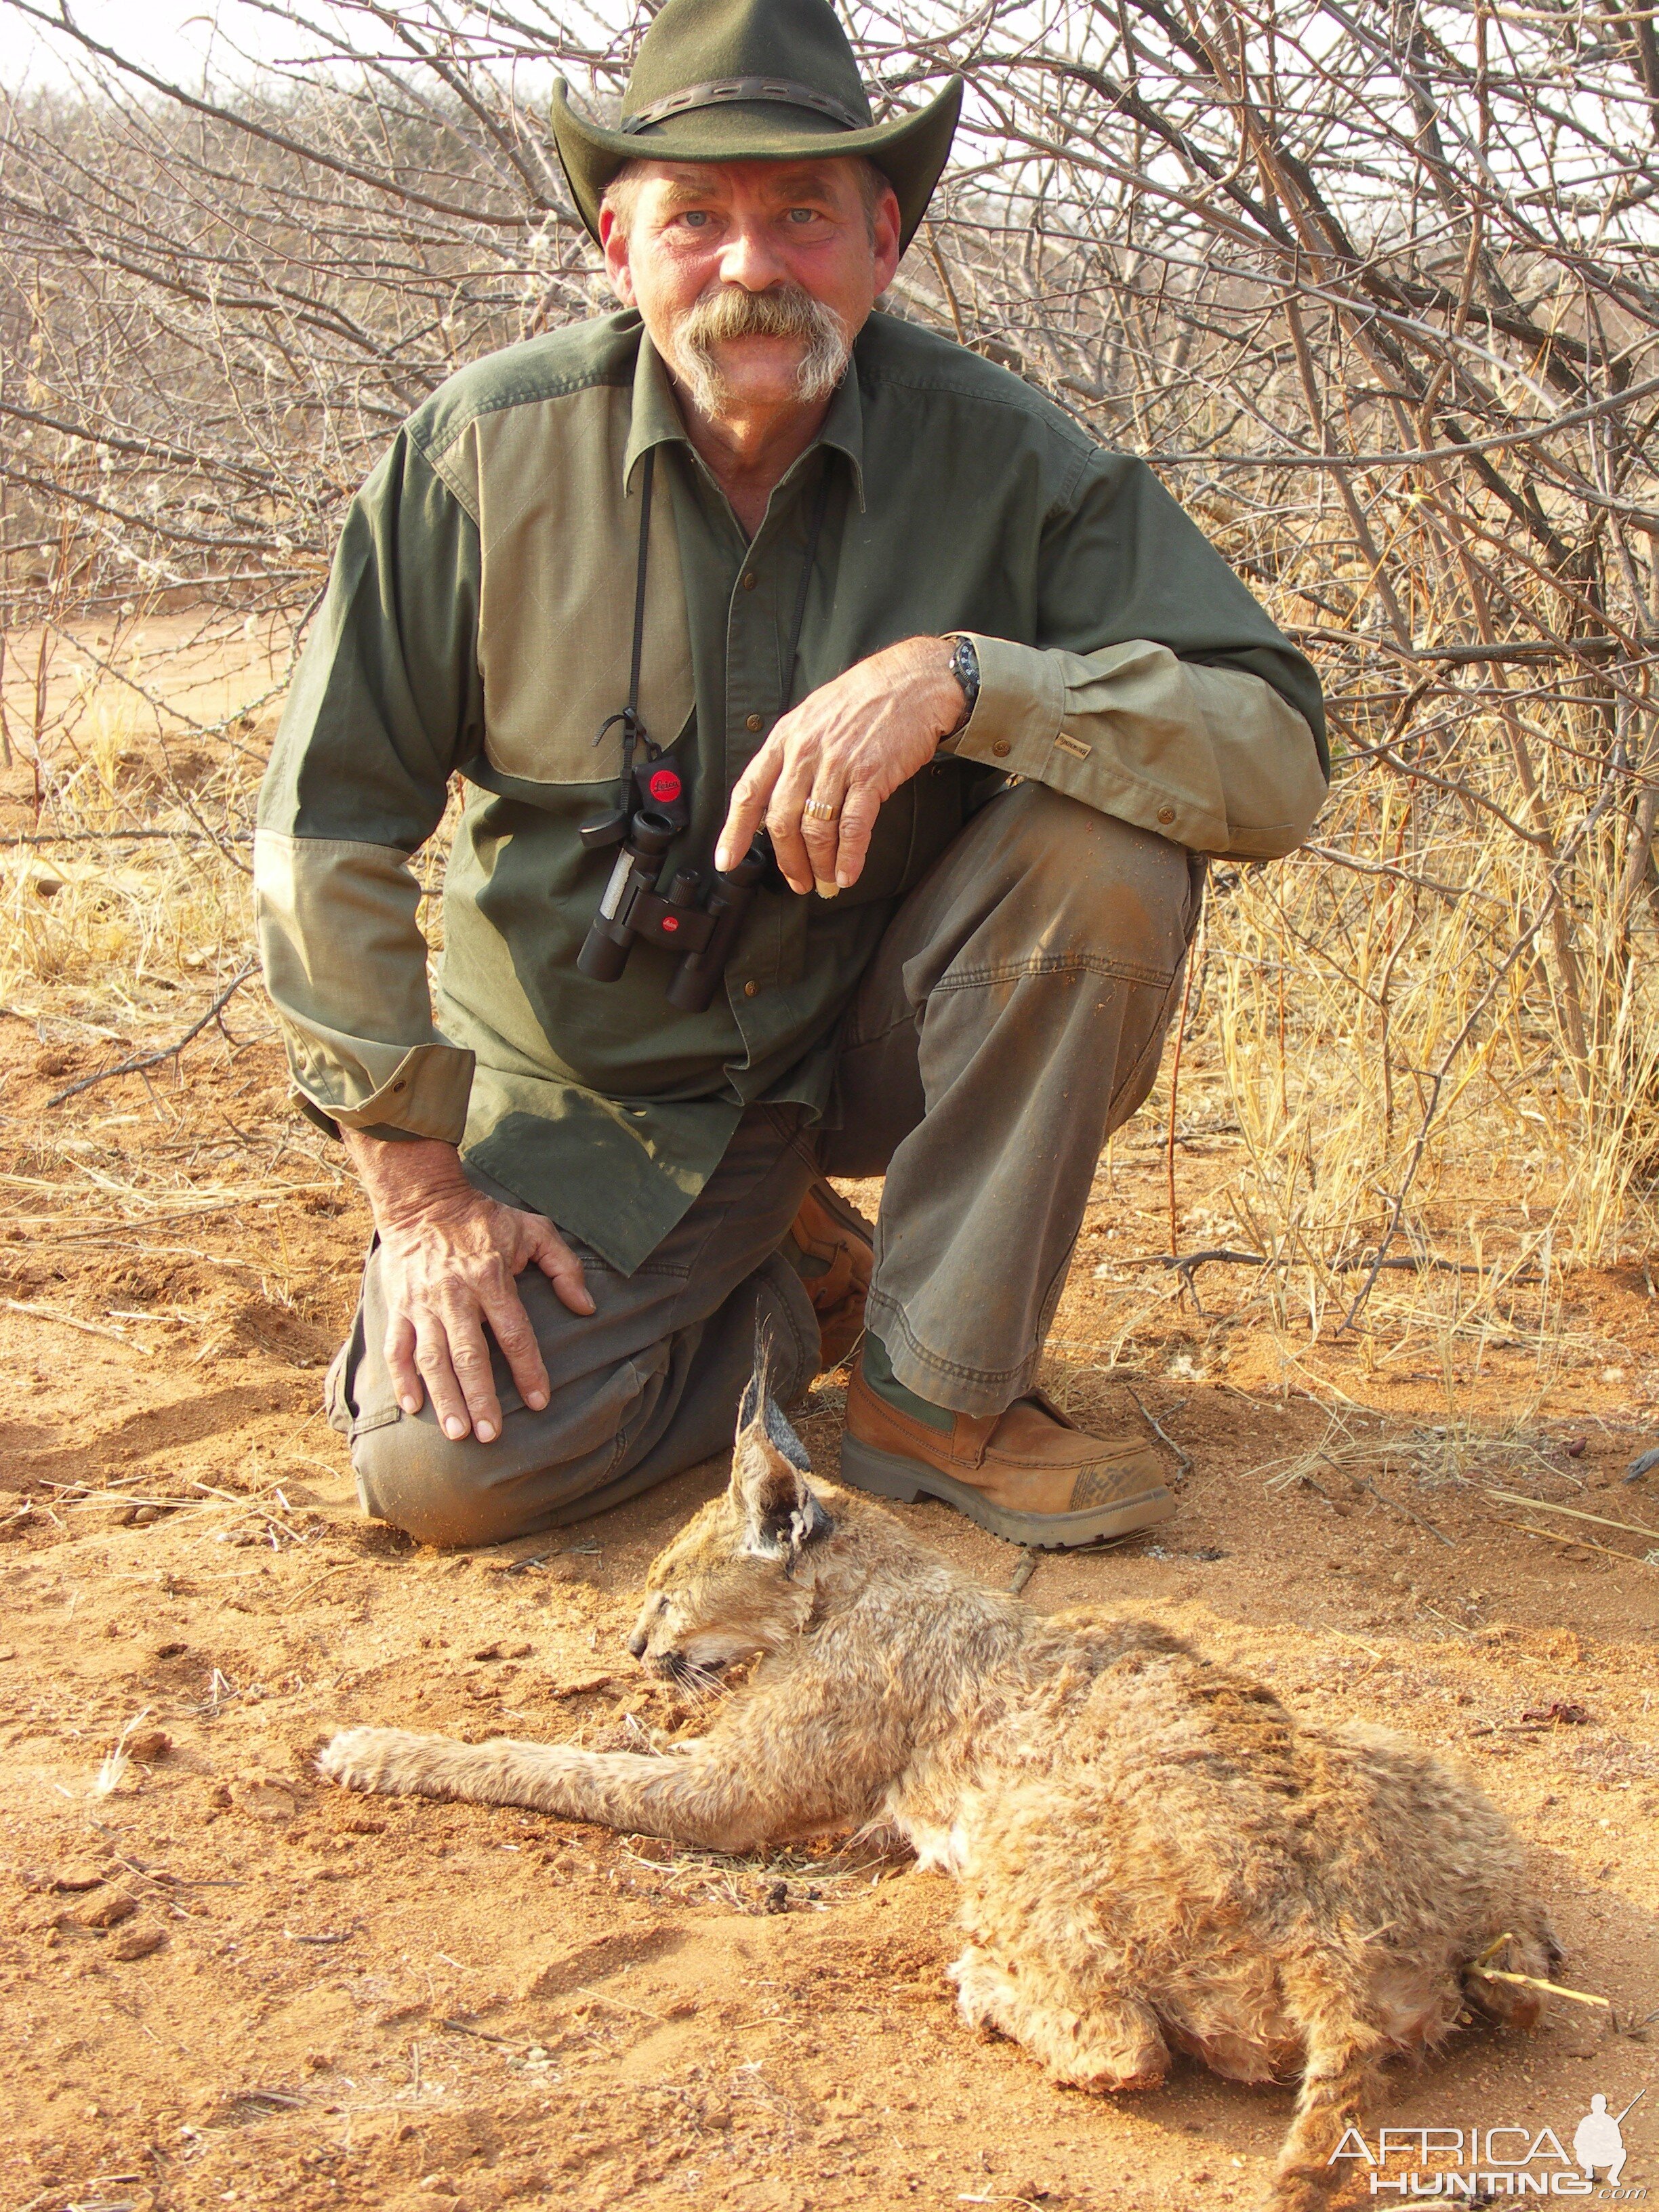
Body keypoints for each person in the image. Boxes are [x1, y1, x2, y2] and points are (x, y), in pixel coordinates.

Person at [255, 0, 1328, 1553]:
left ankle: (935, 1388)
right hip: (593, 1098)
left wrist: (969, 682)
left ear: (884, 242)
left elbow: (1272, 750)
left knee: (1109, 852)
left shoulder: (1010, 460)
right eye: (698, 220)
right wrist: (420, 1195)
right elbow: (325, 829)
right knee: (444, 1473)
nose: (752, 267)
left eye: (803, 216)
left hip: (869, 1035)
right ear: (618, 250)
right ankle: (778, 1281)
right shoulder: (473, 460)